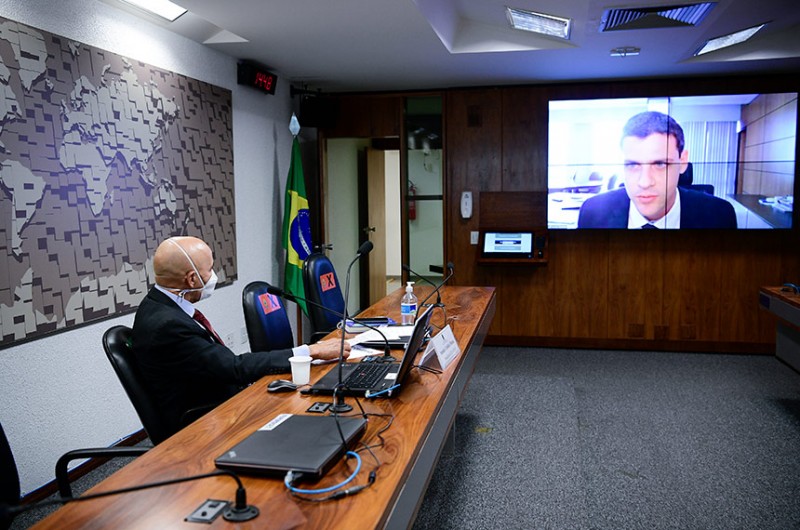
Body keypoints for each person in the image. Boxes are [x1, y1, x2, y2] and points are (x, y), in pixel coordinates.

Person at [131, 236, 348, 438]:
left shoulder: (157, 304)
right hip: (206, 421)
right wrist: (310, 350)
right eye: (209, 269)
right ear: (191, 279)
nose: (213, 275)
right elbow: (234, 368)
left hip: (214, 397)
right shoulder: (168, 325)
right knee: (314, 422)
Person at [577, 111, 737, 229]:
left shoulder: (719, 216)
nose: (644, 182)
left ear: (682, 162)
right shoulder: (593, 212)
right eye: (632, 165)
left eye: (660, 164)